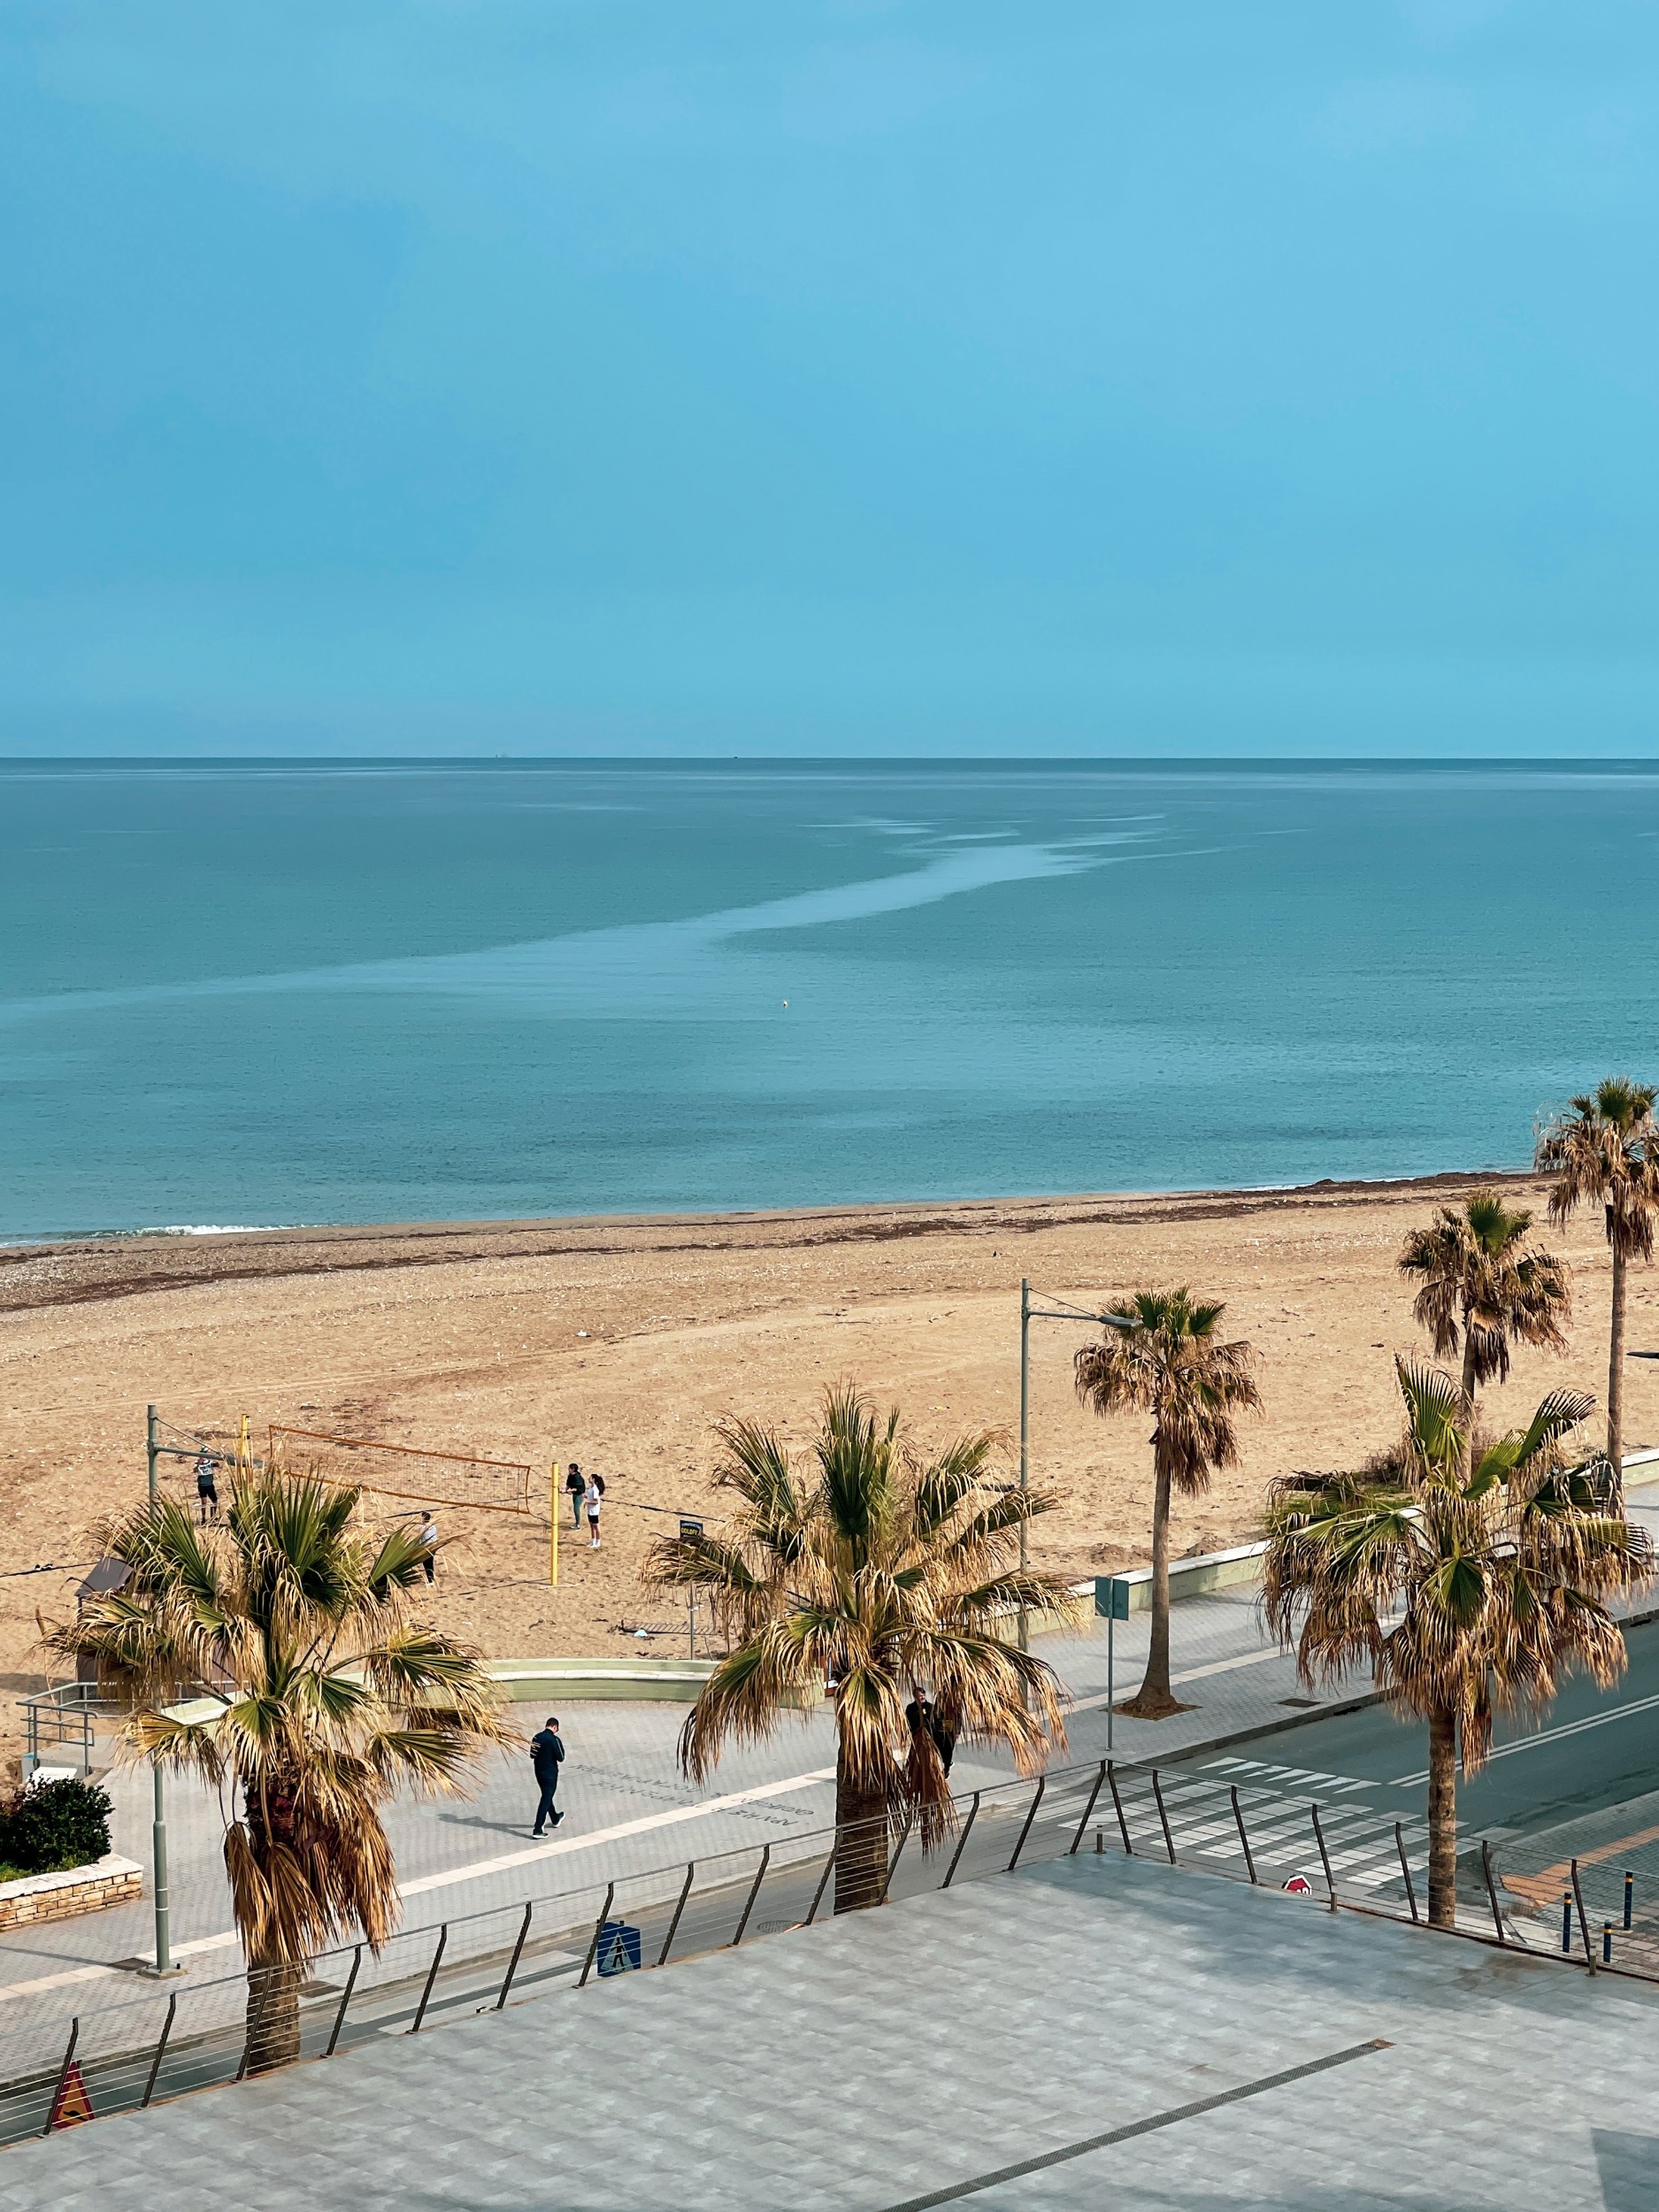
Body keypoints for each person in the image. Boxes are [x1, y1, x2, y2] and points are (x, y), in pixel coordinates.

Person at [906, 1688, 956, 1778]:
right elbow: (908, 1722)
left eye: (923, 1695)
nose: (922, 1697)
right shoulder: (910, 1708)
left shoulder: (931, 1707)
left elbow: (938, 1721)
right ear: (915, 1697)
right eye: (920, 1696)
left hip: (931, 1736)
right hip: (917, 1737)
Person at [530, 1716, 565, 1834]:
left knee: (546, 1795)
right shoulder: (554, 1740)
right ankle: (538, 1828)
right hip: (550, 1773)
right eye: (557, 1729)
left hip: (539, 1772)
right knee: (546, 1798)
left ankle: (555, 1818)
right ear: (555, 1727)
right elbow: (561, 1758)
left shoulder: (536, 1737)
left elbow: (532, 1755)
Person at [194, 1450, 219, 1525]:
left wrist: (215, 1458)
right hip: (202, 1485)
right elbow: (194, 1470)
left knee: (214, 1501)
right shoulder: (197, 1463)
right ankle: (204, 1518)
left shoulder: (210, 1462)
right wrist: (199, 1464)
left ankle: (213, 1517)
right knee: (203, 1502)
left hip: (210, 1484)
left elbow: (218, 1465)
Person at [584, 1472, 604, 1550]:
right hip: (590, 1510)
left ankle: (598, 1542)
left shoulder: (595, 1489)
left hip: (594, 1511)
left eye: (590, 1477)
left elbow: (596, 1501)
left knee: (596, 1526)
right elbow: (590, 1496)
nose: (588, 1479)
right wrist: (585, 1496)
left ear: (593, 1479)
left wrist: (587, 1502)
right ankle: (593, 1541)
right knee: (592, 1526)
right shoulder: (591, 1488)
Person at [417, 1510, 438, 1583]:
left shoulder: (422, 1528)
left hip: (426, 1548)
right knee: (430, 1563)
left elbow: (419, 1539)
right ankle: (431, 1579)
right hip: (432, 1547)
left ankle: (430, 1580)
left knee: (427, 1564)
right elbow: (434, 1538)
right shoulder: (433, 1527)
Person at [565, 1462, 586, 1530]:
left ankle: (578, 1525)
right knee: (575, 1509)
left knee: (576, 1509)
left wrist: (568, 1491)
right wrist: (565, 1490)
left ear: (573, 1469)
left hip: (579, 1494)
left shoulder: (577, 1478)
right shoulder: (570, 1476)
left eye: (570, 1468)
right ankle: (577, 1522)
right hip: (574, 1494)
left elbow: (577, 1488)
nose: (568, 1469)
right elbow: (568, 1484)